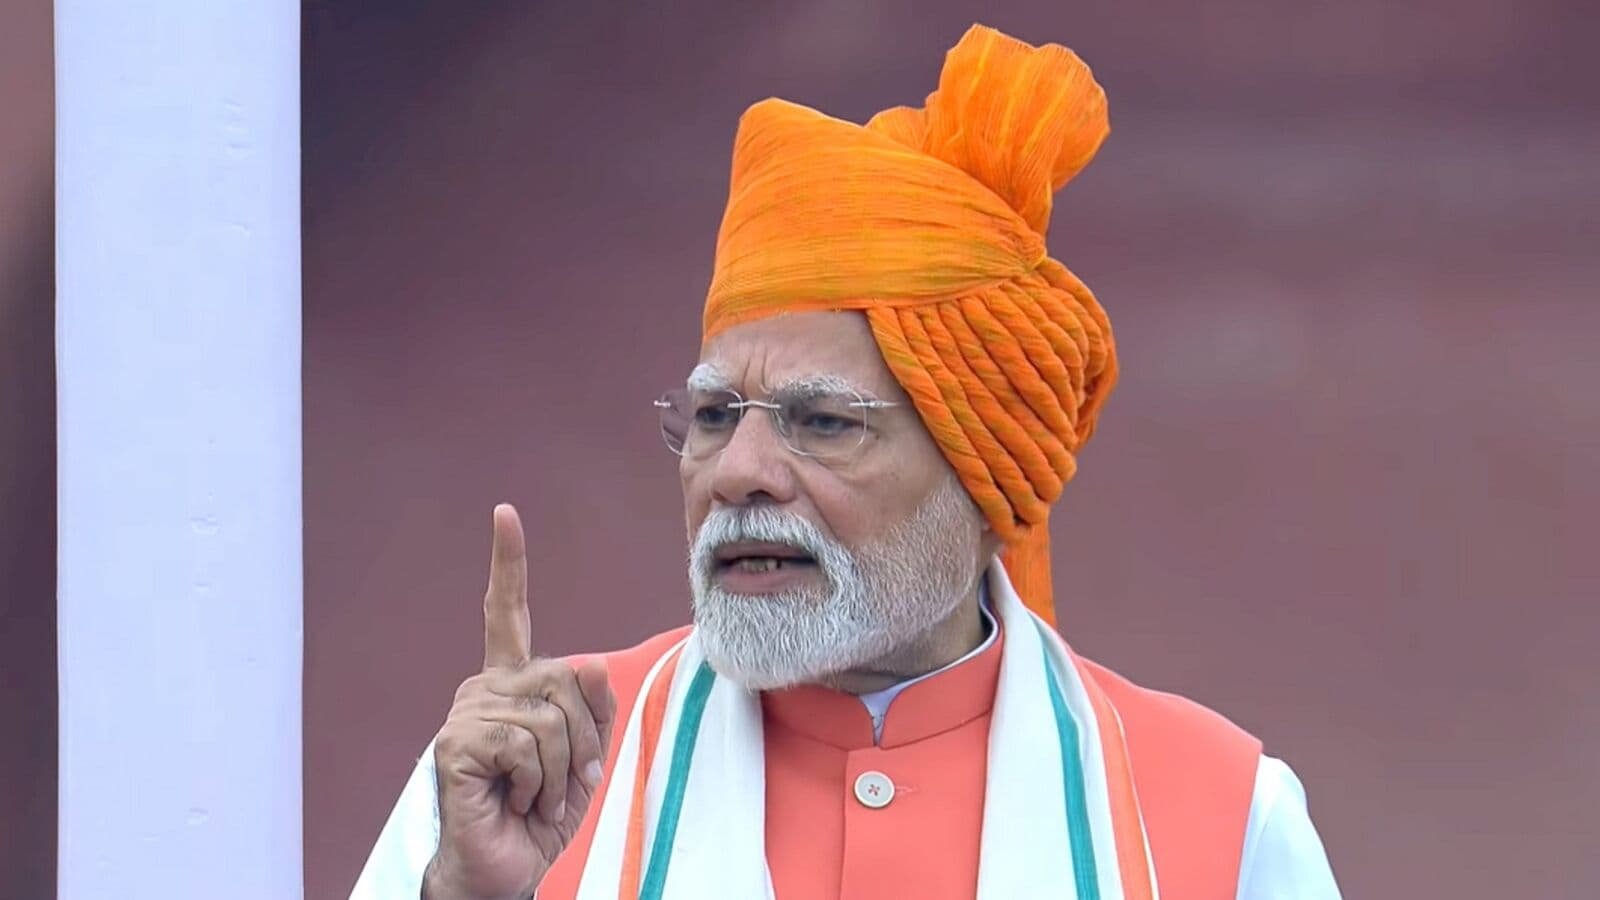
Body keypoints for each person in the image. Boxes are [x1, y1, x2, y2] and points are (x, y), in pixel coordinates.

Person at [352, 23, 1341, 900]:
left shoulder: (1222, 815)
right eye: (710, 415)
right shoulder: (532, 769)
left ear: (983, 477)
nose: (737, 471)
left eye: (821, 422)